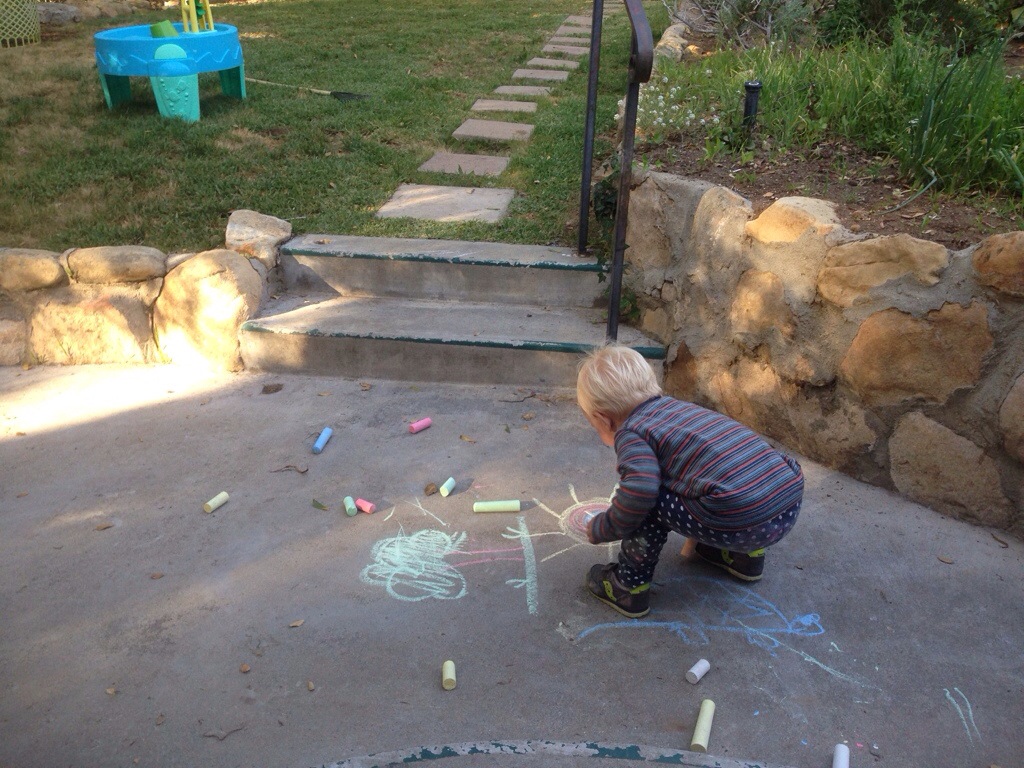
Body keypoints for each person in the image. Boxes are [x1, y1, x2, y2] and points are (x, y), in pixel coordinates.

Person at [577, 344, 804, 618]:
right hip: (786, 497)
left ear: (603, 420)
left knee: (647, 501)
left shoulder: (632, 431)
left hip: (740, 520)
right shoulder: (678, 408)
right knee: (731, 477)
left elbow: (639, 492)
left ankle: (628, 586)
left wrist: (605, 526)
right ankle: (744, 558)